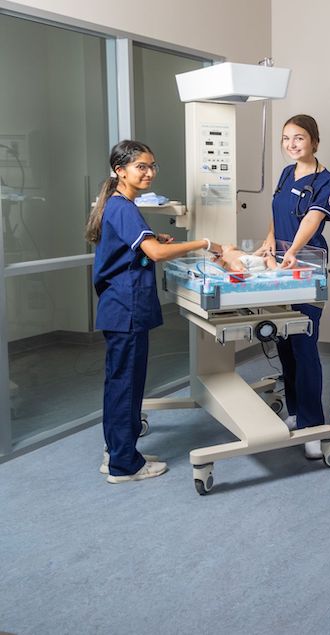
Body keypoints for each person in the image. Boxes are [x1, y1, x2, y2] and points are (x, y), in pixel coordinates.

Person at [85, 140, 221, 483]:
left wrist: (153, 241)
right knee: (126, 386)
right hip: (125, 308)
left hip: (119, 307)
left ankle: (117, 451)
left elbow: (131, 250)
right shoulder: (123, 208)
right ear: (121, 171)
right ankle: (124, 466)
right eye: (141, 167)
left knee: (120, 383)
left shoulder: (118, 205)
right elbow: (155, 255)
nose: (149, 173)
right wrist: (206, 244)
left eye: (152, 166)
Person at [259, 114, 330, 459]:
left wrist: (290, 251)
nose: (292, 144)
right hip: (279, 263)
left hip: (306, 265)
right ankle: (295, 413)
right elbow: (277, 212)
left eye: (299, 138)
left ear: (314, 142)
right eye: (286, 138)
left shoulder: (327, 181)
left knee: (304, 345)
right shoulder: (285, 173)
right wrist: (269, 242)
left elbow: (311, 219)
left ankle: (312, 426)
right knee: (284, 342)